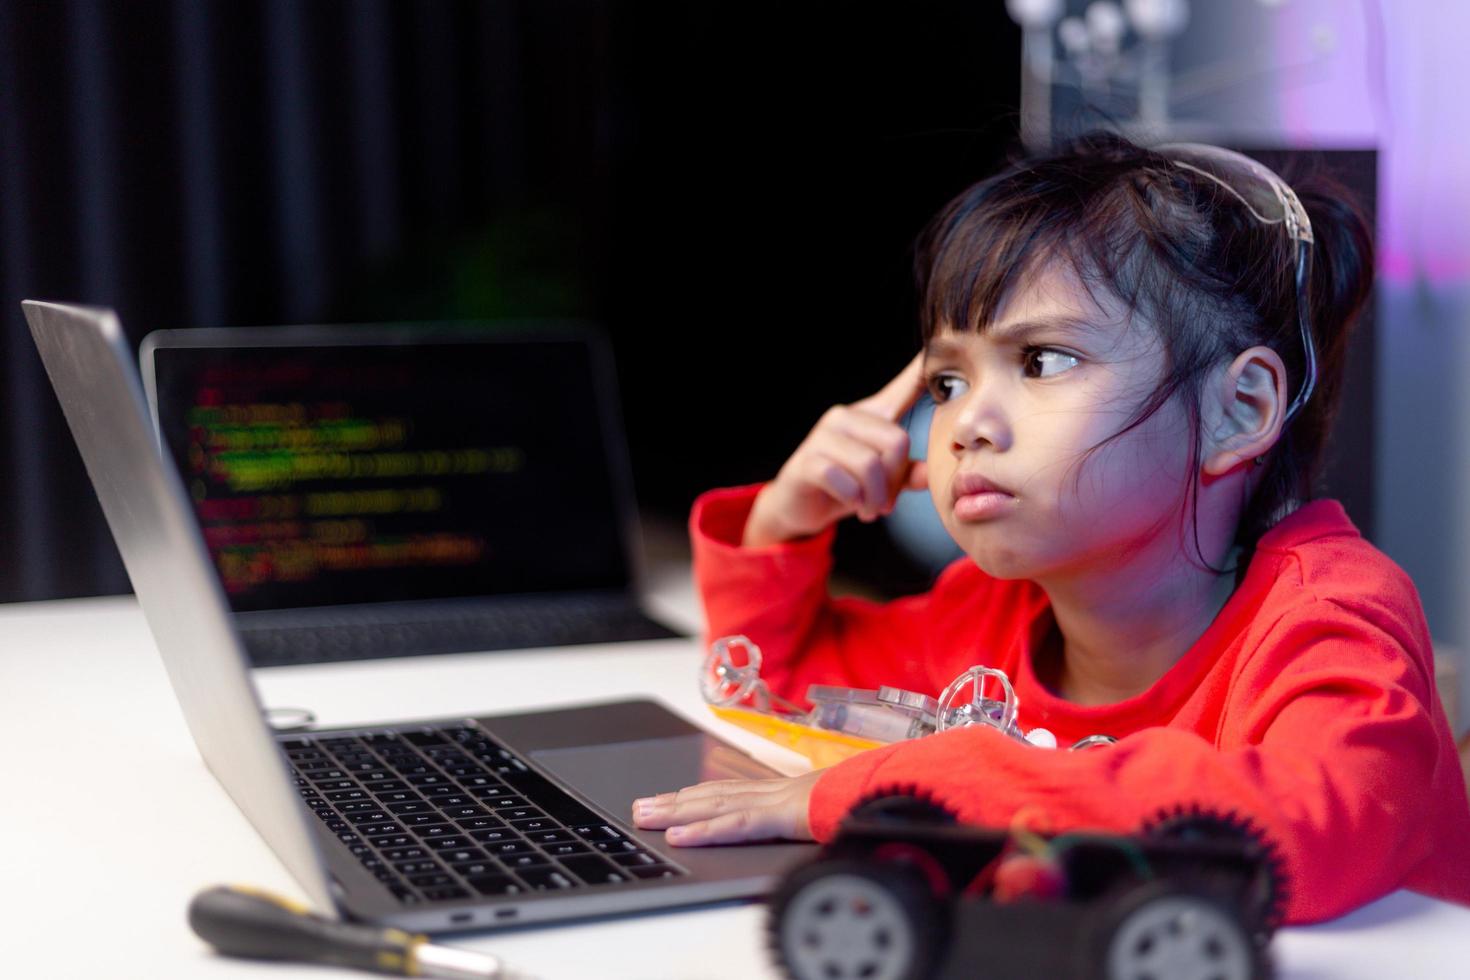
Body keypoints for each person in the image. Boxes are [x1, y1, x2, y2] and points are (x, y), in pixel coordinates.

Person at [630, 132, 1470, 923]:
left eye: (1041, 361)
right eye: (950, 379)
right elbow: (768, 690)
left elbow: (1308, 827)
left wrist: (926, 785)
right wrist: (784, 522)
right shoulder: (989, 610)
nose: (962, 427)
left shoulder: (1330, 616)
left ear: (1237, 410)